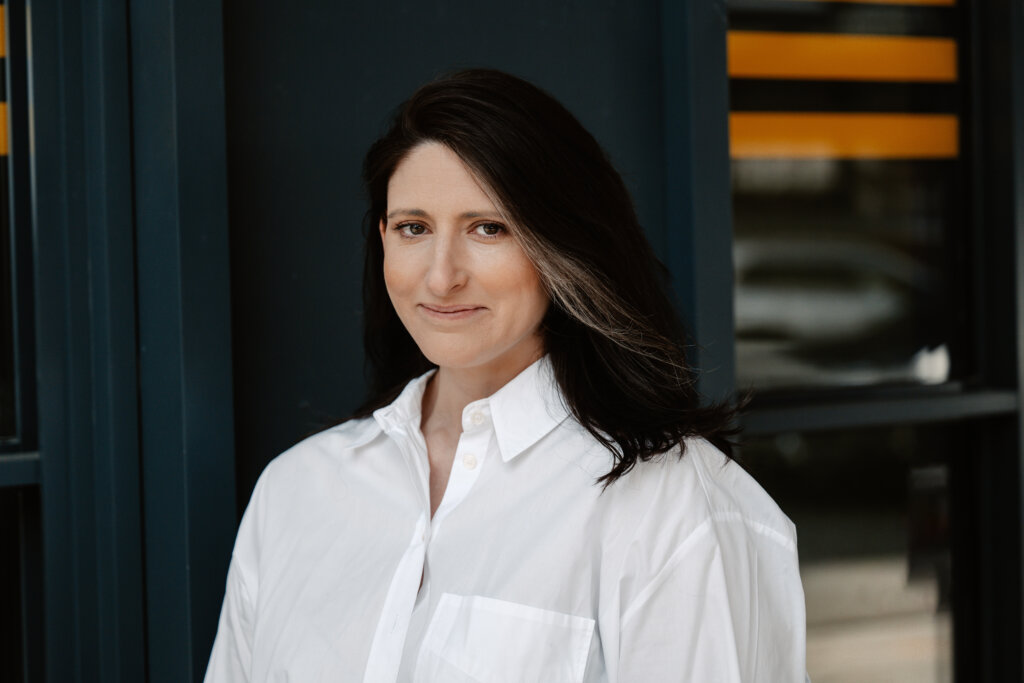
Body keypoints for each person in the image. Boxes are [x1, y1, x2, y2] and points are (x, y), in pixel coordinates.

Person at [205, 68, 807, 682]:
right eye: (414, 228)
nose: (441, 277)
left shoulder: (671, 504)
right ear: (383, 238)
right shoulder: (295, 492)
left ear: (561, 245)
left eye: (487, 228)